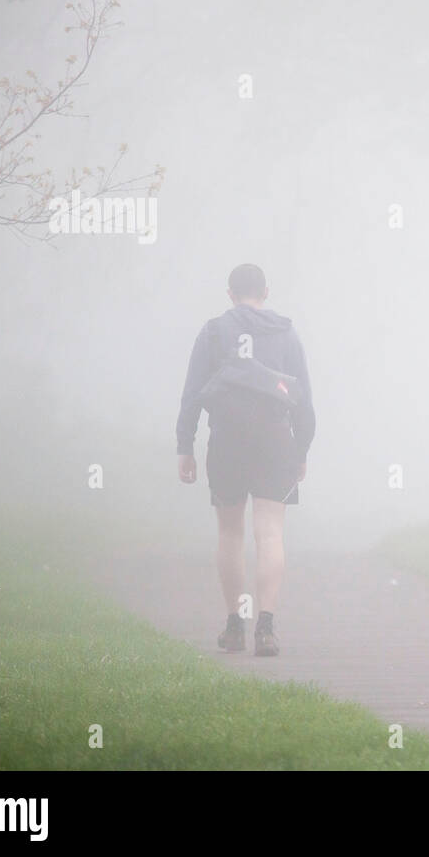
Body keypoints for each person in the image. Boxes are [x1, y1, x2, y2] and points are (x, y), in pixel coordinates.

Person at [176, 264, 315, 657]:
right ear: (266, 291)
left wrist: (185, 445)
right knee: (270, 533)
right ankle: (266, 629)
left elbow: (192, 393)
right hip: (275, 438)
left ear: (230, 293)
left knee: (230, 534)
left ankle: (235, 626)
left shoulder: (213, 332)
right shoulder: (286, 333)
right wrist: (301, 449)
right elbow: (304, 396)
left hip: (227, 439)